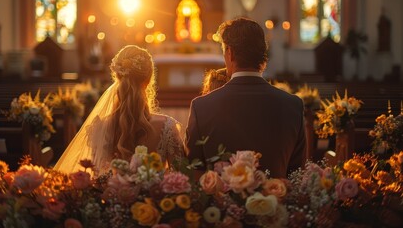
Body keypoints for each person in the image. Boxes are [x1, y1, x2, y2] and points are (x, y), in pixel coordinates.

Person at [185, 17, 306, 178]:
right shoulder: (293, 105)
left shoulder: (202, 107)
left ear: (230, 53)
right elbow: (297, 174)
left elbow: (194, 171)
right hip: (277, 202)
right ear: (263, 54)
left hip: (219, 203)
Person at [54, 45, 185, 175]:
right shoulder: (166, 127)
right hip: (154, 196)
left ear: (117, 76)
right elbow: (183, 178)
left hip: (111, 196)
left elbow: (97, 178)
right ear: (149, 80)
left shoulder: (100, 127)